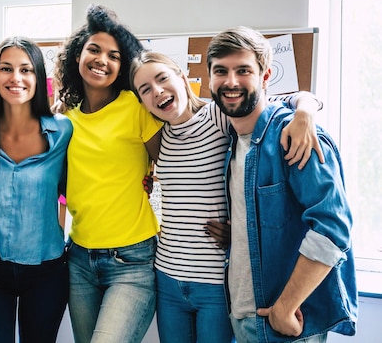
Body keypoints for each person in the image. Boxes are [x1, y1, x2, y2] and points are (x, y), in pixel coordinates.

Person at [129, 51, 323, 343]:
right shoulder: (160, 136)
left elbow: (289, 100)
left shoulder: (218, 115)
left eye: (162, 79)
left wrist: (306, 111)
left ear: (182, 78)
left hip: (216, 283)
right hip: (167, 278)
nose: (157, 91)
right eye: (145, 89)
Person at [206, 26, 357, 343]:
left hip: (282, 324)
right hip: (243, 316)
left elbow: (333, 228)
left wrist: (285, 309)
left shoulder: (294, 137)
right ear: (209, 79)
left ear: (265, 76)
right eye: (221, 71)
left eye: (243, 70)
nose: (231, 81)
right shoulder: (233, 140)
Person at [53, 4, 163, 343]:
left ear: (123, 66)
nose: (102, 59)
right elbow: (55, 182)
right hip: (80, 259)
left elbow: (174, 162)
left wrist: (303, 105)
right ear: (77, 55)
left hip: (132, 259)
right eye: (94, 50)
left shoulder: (137, 107)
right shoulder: (64, 116)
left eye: (114, 56)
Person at [0, 36, 71, 342]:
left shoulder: (63, 130)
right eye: (6, 69)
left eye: (26, 69)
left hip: (47, 269)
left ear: (38, 76)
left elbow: (86, 179)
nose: (16, 78)